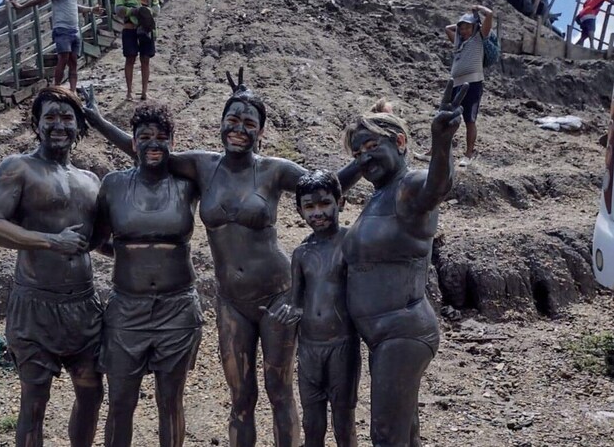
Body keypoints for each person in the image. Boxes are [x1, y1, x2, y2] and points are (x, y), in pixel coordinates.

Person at [83, 73, 361, 447]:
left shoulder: (273, 169)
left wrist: (367, 160)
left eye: (250, 123)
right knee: (241, 398)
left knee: (279, 391)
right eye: (233, 120)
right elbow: (149, 149)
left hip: (277, 296)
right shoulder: (202, 166)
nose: (239, 129)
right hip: (231, 302)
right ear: (221, 123)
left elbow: (326, 186)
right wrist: (98, 120)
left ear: (261, 131)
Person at [341, 82, 467, 447]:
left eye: (372, 147)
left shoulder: (408, 186)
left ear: (399, 143)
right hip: (383, 336)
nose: (364, 158)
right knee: (404, 433)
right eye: (357, 152)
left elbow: (437, 187)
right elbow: (323, 189)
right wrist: (360, 157)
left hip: (402, 332)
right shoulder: (379, 194)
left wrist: (441, 141)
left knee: (386, 435)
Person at [0, 86, 106, 447]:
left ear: (80, 126)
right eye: (50, 116)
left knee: (91, 394)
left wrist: (150, 246)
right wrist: (51, 240)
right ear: (36, 123)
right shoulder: (18, 168)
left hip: (84, 308)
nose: (59, 125)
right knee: (34, 403)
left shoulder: (90, 180)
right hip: (35, 306)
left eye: (67, 117)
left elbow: (98, 241)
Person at [90, 102, 203, 447]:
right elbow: (96, 239)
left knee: (170, 402)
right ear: (134, 143)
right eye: (145, 137)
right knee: (121, 401)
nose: (154, 144)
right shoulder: (113, 184)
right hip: (126, 308)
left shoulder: (188, 183)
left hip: (178, 308)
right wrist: (130, 253)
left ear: (172, 140)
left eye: (162, 137)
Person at [265, 170, 359, 447]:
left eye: (324, 204)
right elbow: (296, 301)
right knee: (311, 422)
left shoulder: (351, 243)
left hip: (342, 344)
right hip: (308, 348)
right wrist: (284, 313)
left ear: (340, 202)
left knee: (343, 421)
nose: (317, 213)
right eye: (309, 207)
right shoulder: (301, 254)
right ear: (298, 211)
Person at [10, 0, 103, 92]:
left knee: (73, 61)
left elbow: (74, 7)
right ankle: (57, 86)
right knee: (63, 58)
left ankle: (72, 90)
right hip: (62, 28)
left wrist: (91, 9)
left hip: (74, 29)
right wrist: (22, 6)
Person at [444, 4, 493, 166]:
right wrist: (463, 21)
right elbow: (447, 28)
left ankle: (468, 154)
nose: (463, 31)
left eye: (467, 28)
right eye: (462, 28)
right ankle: (437, 151)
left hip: (472, 83)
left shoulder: (479, 38)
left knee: (469, 120)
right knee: (446, 118)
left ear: (474, 27)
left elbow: (490, 14)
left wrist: (477, 10)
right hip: (455, 84)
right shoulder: (459, 42)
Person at [115, 0, 161, 101]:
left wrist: (147, 12)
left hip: (146, 28)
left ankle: (144, 92)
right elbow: (118, 9)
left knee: (145, 59)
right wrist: (134, 11)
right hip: (130, 28)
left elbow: (156, 7)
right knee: (130, 58)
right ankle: (129, 92)